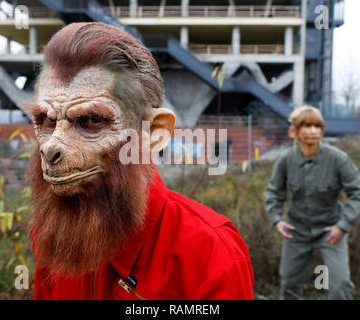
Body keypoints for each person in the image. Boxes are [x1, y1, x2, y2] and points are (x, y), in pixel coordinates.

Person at [25, 22, 254, 300]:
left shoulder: (210, 251)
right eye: (46, 120)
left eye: (93, 120)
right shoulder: (50, 232)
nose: (51, 146)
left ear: (153, 133)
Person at [264, 105, 360, 300]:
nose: (313, 131)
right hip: (296, 230)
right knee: (288, 283)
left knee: (340, 285)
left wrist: (343, 226)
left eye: (318, 126)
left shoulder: (338, 159)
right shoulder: (286, 159)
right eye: (307, 126)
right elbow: (273, 191)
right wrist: (277, 219)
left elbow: (358, 192)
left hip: (331, 231)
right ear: (294, 131)